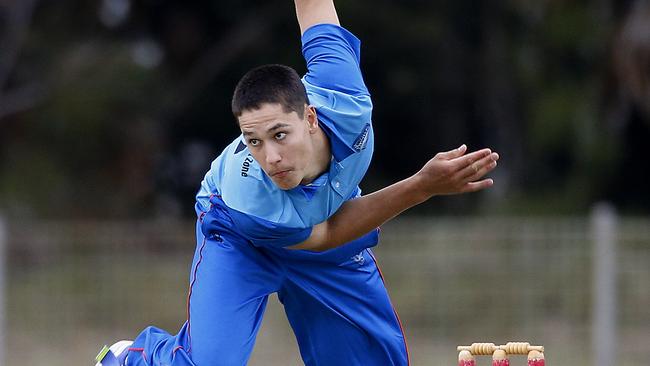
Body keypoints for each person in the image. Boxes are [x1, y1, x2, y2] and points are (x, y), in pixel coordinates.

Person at [95, 1, 499, 365]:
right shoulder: (250, 197)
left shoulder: (346, 98)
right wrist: (422, 186)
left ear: (309, 118)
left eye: (279, 135)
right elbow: (328, 234)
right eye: (253, 141)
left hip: (322, 224)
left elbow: (313, 7)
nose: (270, 157)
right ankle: (130, 358)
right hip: (240, 237)